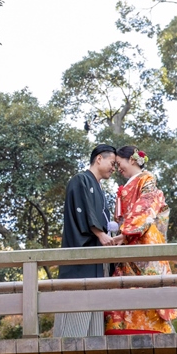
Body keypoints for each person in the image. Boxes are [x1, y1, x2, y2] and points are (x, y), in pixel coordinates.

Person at [104, 145, 177, 334]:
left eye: (119, 163)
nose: (118, 168)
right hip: (129, 237)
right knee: (127, 282)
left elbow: (147, 205)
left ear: (131, 159)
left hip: (142, 236)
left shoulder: (147, 179)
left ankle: (154, 328)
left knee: (148, 281)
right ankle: (127, 327)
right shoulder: (131, 183)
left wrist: (127, 231)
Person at [53, 144, 117, 337]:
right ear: (99, 158)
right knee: (77, 308)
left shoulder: (98, 187)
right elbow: (83, 210)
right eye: (112, 163)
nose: (114, 168)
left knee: (95, 315)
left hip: (97, 260)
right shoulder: (80, 180)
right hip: (81, 256)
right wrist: (99, 233)